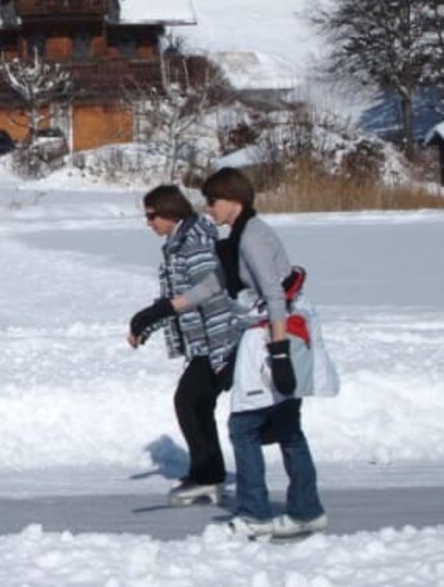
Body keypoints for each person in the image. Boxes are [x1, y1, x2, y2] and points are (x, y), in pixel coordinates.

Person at [201, 167, 327, 539]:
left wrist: (281, 352)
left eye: (213, 201)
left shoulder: (251, 237)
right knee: (287, 428)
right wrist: (162, 309)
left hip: (274, 336)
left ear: (233, 201)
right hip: (274, 334)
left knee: (245, 427)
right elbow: (215, 285)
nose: (208, 209)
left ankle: (255, 513)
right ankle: (306, 511)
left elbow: (274, 295)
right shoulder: (244, 233)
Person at [127, 184, 241, 506]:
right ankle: (209, 474)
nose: (149, 223)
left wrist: (219, 347)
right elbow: (175, 300)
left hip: (216, 338)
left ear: (168, 212)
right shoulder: (179, 242)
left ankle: (208, 476)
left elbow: (210, 290)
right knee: (197, 404)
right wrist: (149, 323)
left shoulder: (195, 243)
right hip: (203, 340)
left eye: (151, 216)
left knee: (189, 402)